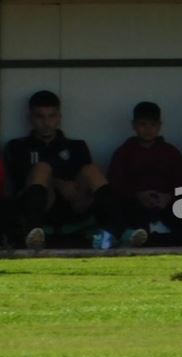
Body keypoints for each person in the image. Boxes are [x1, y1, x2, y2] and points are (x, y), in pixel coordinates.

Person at [4, 90, 147, 250]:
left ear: (59, 117)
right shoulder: (18, 146)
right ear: (30, 117)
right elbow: (20, 180)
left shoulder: (76, 146)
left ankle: (118, 231)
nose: (46, 122)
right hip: (40, 208)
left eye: (51, 116)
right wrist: (58, 183)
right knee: (42, 168)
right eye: (40, 117)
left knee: (91, 170)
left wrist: (70, 187)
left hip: (74, 205)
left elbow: (84, 182)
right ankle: (32, 234)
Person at [108, 101, 182, 245]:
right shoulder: (124, 152)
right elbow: (115, 183)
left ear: (159, 126)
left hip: (167, 205)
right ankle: (134, 235)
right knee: (118, 207)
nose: (148, 129)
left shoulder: (170, 152)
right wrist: (137, 195)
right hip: (135, 205)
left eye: (152, 125)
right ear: (134, 125)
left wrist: (169, 197)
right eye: (143, 124)